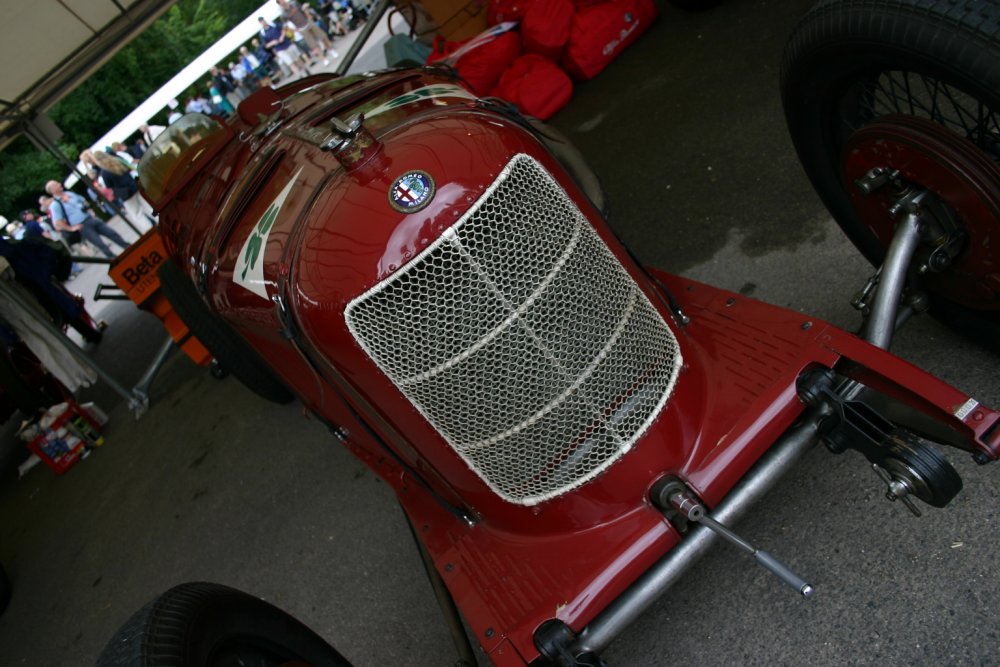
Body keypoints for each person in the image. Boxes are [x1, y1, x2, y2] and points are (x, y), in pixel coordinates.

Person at [0, 235, 105, 343]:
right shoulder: (15, 246)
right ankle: (89, 334)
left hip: (35, 289)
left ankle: (88, 336)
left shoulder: (13, 248)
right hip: (39, 285)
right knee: (64, 312)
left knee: (57, 316)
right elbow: (44, 251)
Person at [44, 181, 130, 258]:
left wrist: (89, 210)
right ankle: (113, 258)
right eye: (56, 184)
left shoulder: (69, 193)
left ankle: (127, 247)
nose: (59, 184)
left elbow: (82, 200)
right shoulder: (55, 205)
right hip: (82, 225)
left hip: (89, 218)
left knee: (112, 233)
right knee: (100, 243)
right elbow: (57, 222)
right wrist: (71, 228)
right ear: (53, 190)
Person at [82, 151, 155, 232]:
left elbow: (108, 186)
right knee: (148, 207)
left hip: (125, 194)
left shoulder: (104, 172)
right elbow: (128, 168)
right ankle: (160, 221)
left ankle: (151, 231)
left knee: (137, 214)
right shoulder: (116, 160)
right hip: (134, 186)